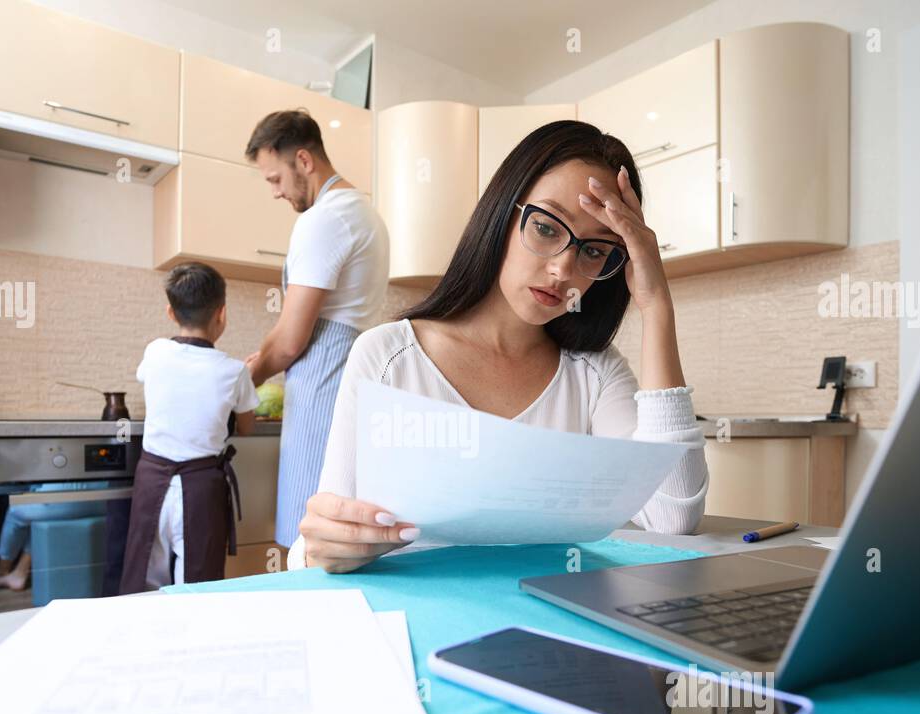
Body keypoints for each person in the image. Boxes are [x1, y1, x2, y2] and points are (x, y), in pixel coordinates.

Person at [288, 120, 709, 573]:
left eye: (593, 251)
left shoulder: (595, 373)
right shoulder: (388, 356)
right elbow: (319, 546)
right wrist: (317, 550)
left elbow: (671, 516)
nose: (562, 270)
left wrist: (656, 305)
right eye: (547, 228)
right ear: (502, 215)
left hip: (548, 627)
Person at [242, 109, 390, 560]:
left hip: (324, 382)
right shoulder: (364, 211)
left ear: (303, 160)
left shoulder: (324, 218)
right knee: (340, 532)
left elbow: (290, 339)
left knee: (309, 533)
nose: (274, 192)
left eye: (274, 179)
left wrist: (242, 379)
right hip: (352, 378)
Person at [119, 263, 258, 592]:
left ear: (170, 311)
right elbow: (247, 426)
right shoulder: (234, 371)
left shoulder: (154, 352)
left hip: (152, 482)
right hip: (200, 489)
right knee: (198, 585)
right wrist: (248, 376)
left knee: (143, 578)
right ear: (221, 314)